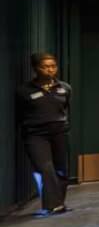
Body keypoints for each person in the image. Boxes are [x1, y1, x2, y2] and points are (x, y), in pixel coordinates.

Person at [18, 52, 71, 216]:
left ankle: (59, 203)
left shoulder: (64, 88)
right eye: (45, 67)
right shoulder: (24, 91)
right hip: (36, 134)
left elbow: (65, 108)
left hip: (59, 132)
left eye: (53, 66)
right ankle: (52, 205)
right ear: (36, 69)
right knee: (45, 168)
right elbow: (19, 114)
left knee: (61, 170)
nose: (50, 70)